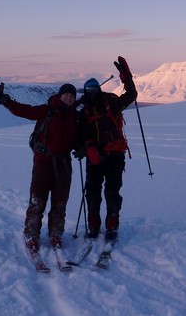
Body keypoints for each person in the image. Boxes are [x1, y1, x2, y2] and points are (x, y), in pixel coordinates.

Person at [0, 83, 78, 252]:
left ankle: (56, 233)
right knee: (37, 200)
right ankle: (31, 234)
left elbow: (81, 136)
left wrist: (83, 146)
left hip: (63, 164)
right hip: (43, 162)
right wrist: (5, 100)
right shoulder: (47, 110)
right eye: (65, 94)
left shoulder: (76, 116)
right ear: (60, 96)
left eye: (71, 96)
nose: (68, 98)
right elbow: (24, 110)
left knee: (60, 202)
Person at [75, 56, 138, 243]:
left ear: (99, 90)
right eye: (89, 91)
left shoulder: (111, 103)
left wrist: (127, 78)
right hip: (96, 157)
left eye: (94, 90)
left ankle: (110, 226)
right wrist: (83, 147)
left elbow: (131, 95)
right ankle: (95, 225)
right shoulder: (83, 112)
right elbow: (78, 135)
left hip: (113, 156)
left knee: (111, 192)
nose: (92, 93)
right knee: (93, 192)